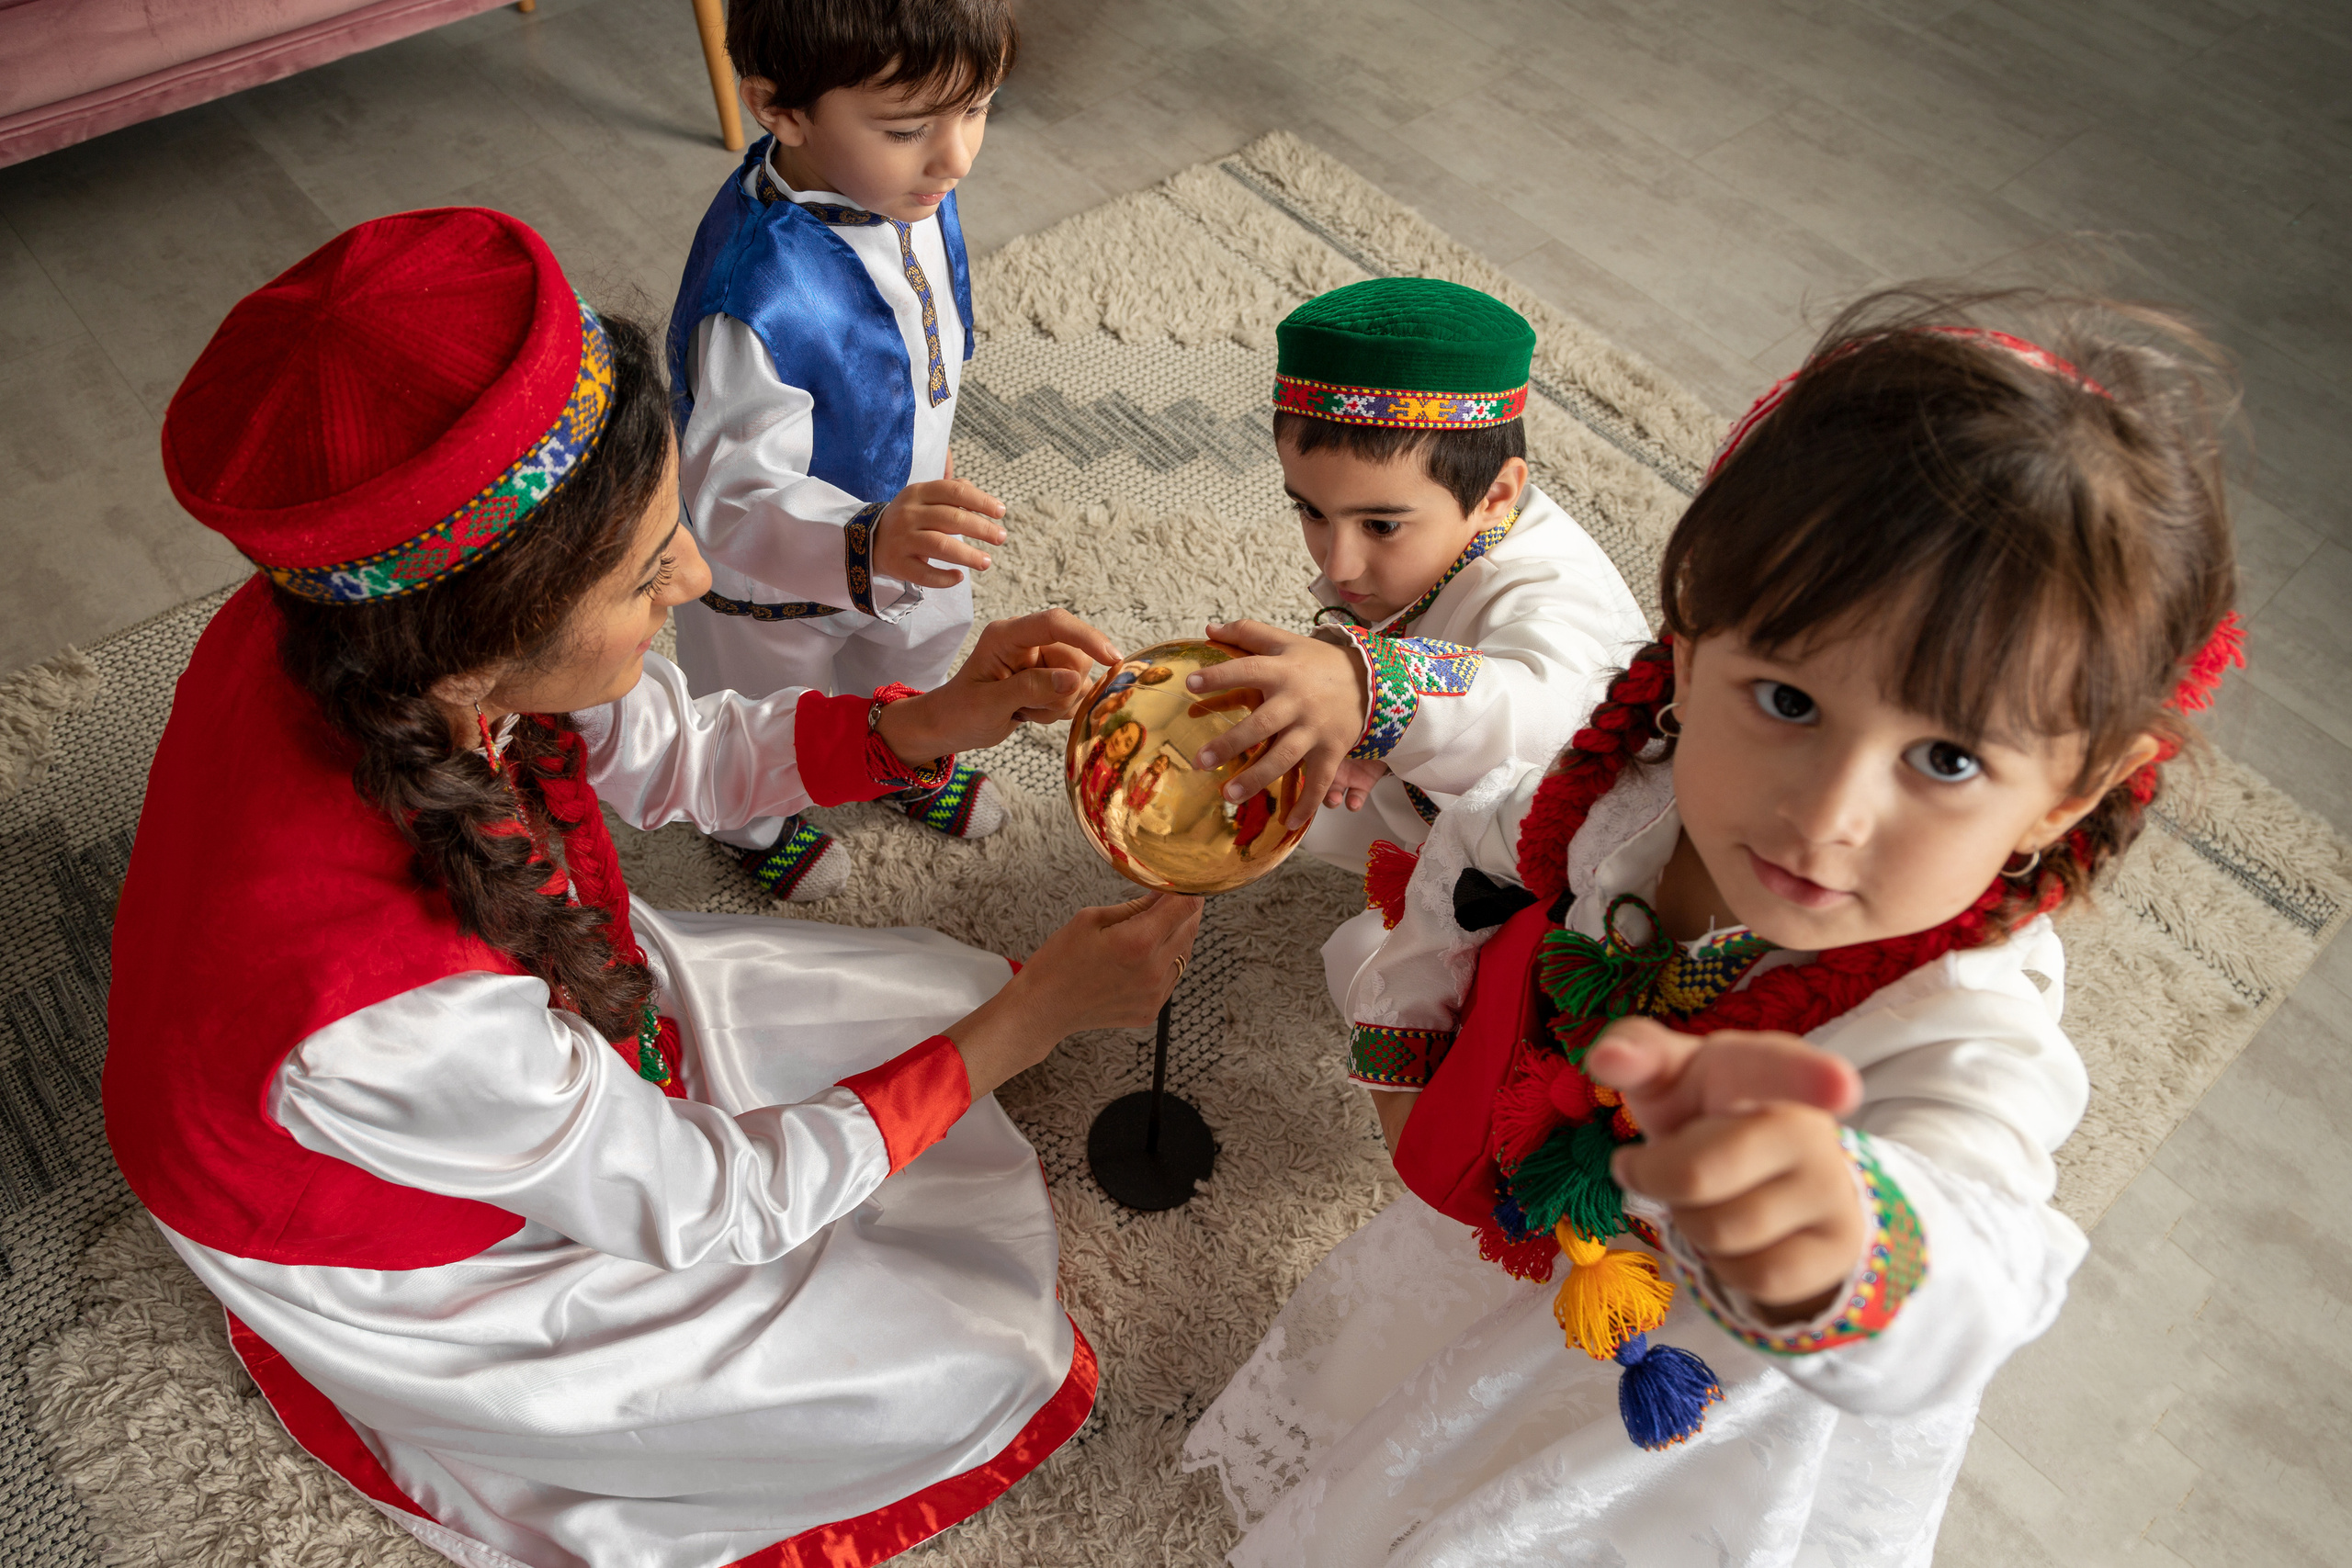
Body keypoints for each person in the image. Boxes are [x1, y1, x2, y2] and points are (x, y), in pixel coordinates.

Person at [106, 209, 1203, 1568]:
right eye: (648, 572)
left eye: (675, 524)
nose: (695, 576)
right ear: (489, 634)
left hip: (495, 1019)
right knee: (972, 1352)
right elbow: (707, 1204)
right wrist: (1041, 1019)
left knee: (947, 991)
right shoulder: (392, 1009)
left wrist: (934, 717)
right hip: (416, 1228)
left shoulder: (368, 628)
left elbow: (673, 749)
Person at [1182, 289, 2243, 1566]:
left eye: (1949, 757)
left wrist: (1851, 1239)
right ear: (1684, 656)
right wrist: (1403, 1033)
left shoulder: (1961, 1012)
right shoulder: (1624, 784)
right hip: (1516, 1228)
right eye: (1788, 697)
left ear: (2068, 796)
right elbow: (1470, 855)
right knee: (1392, 1423)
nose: (1829, 815)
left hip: (1671, 1421)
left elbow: (1991, 1246)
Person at [1181, 277, 1652, 1015]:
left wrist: (1371, 689)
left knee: (1367, 971)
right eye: (1311, 511)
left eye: (1381, 526)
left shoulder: (1560, 596)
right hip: (1439, 797)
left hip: (1561, 884)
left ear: (1498, 495)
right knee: (1260, 764)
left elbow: (1542, 716)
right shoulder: (1438, 539)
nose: (1335, 564)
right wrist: (1362, 720)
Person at [665, 0, 1017, 902]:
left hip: (910, 503)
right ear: (781, 111)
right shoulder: (758, 298)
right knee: (766, 709)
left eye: (975, 109)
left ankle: (904, 747)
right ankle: (754, 820)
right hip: (778, 566)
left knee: (919, 643)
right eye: (907, 129)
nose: (957, 158)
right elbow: (731, 496)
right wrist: (864, 539)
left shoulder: (904, 186)